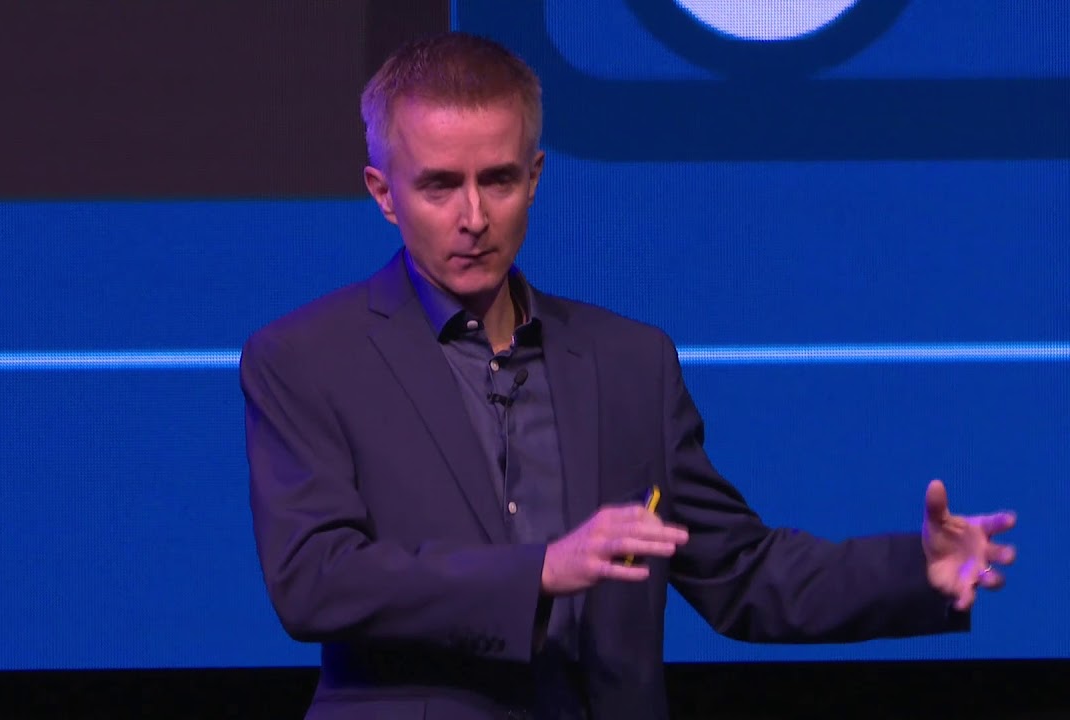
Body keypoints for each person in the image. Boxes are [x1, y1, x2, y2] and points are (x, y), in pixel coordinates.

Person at [240, 32, 1017, 720]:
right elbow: (315, 580)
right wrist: (540, 571)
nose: (473, 217)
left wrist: (916, 569)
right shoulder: (307, 358)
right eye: (440, 185)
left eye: (499, 180)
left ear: (535, 177)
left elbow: (740, 571)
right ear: (383, 193)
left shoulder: (629, 362)